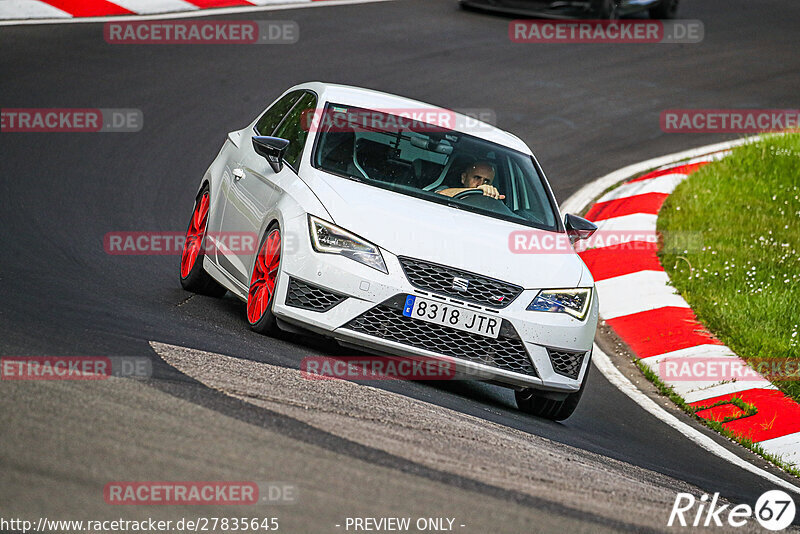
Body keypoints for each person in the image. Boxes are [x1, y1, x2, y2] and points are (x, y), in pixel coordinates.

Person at [436, 161, 504, 200]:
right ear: (464, 178)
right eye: (477, 178)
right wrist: (475, 191)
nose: (480, 184)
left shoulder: (492, 203)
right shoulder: (447, 189)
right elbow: (439, 195)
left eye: (486, 181)